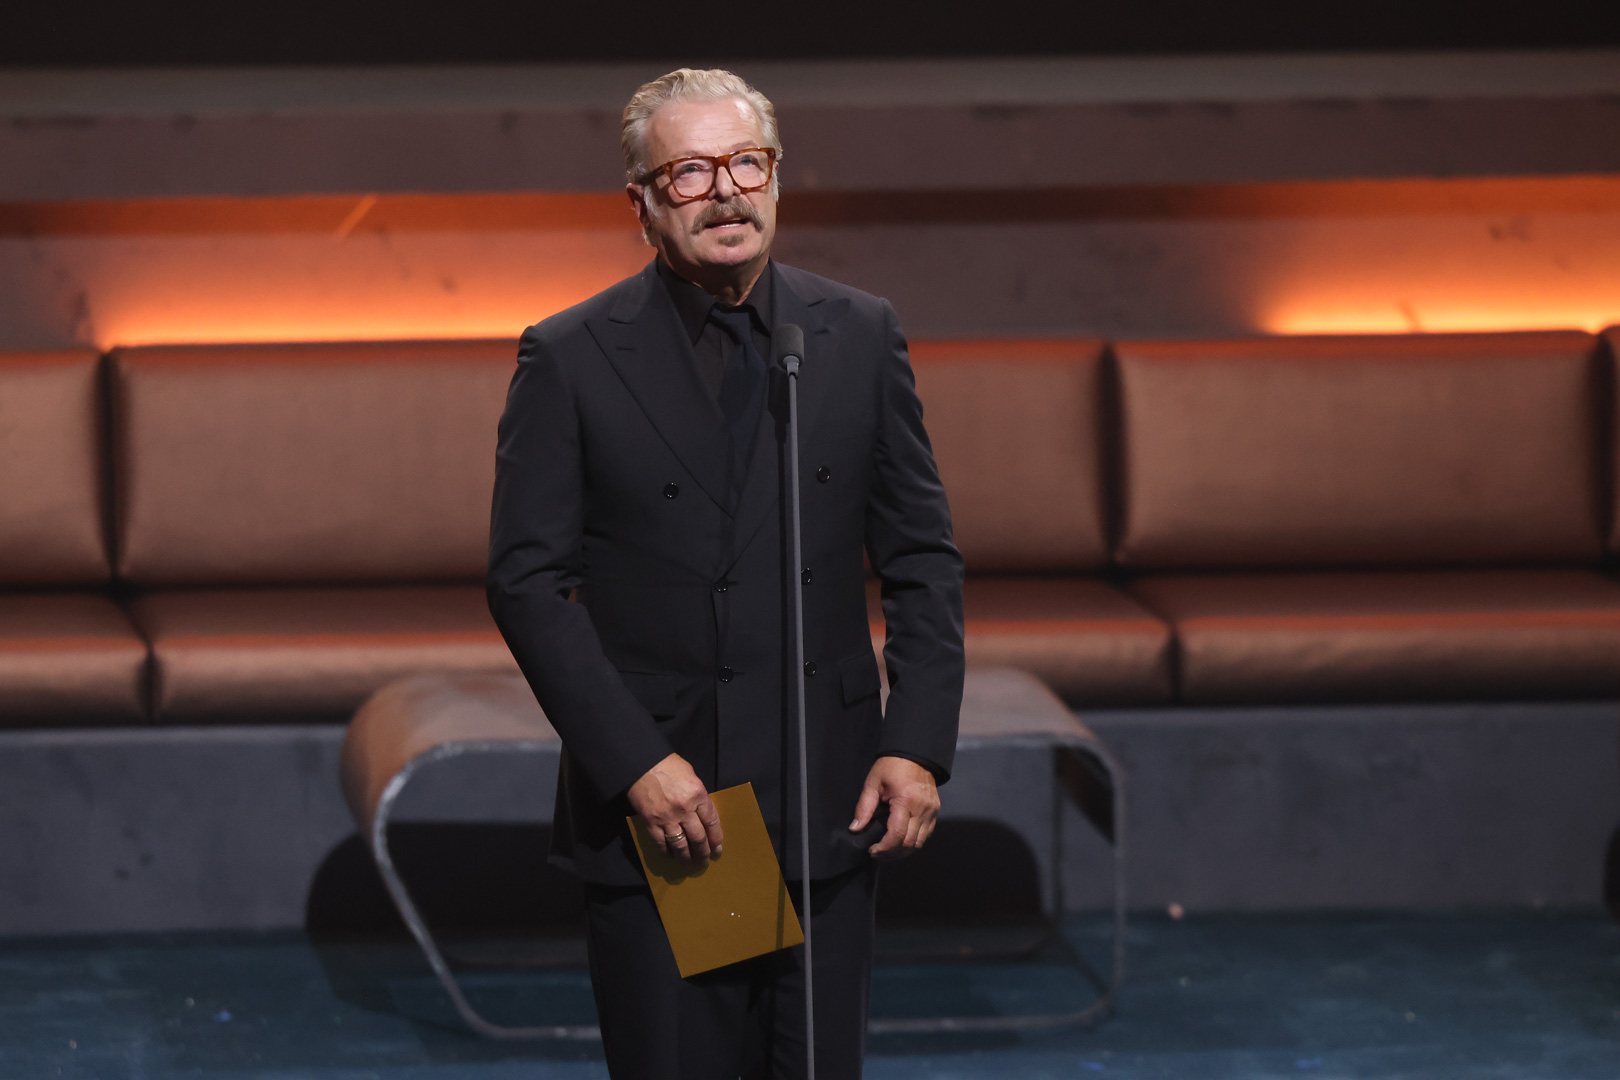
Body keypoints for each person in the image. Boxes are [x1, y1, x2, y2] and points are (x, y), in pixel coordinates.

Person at [488, 67, 964, 1080]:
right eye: (692, 172)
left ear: (776, 178)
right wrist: (636, 762)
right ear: (643, 203)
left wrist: (917, 742)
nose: (727, 193)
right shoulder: (571, 357)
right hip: (685, 805)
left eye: (747, 164)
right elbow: (528, 584)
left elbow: (921, 555)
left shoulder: (856, 334)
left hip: (823, 787)